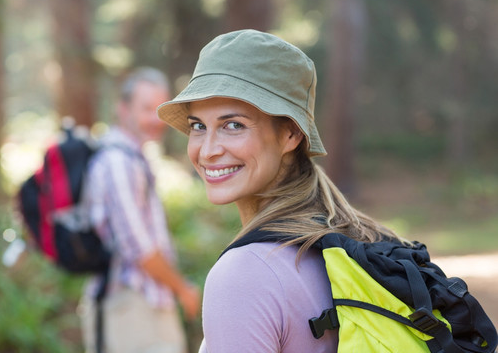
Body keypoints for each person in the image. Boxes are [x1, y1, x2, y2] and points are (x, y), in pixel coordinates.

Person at [157, 30, 404, 352]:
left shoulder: (246, 273)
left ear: (290, 134)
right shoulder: (355, 239)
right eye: (198, 126)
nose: (207, 151)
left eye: (233, 125)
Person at [79, 67, 201, 353]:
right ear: (123, 109)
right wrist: (183, 288)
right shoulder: (118, 163)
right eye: (146, 108)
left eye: (160, 109)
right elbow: (139, 247)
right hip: (131, 306)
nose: (155, 119)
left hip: (142, 303)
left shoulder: (133, 158)